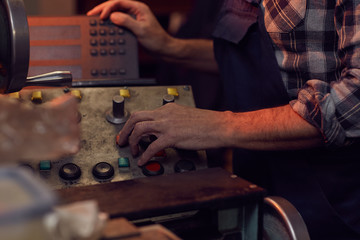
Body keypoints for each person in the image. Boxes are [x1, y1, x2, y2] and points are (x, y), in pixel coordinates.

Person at [87, 0, 360, 239]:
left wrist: (218, 124)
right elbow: (247, 59)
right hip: (258, 180)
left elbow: (354, 102)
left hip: (331, 197)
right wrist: (169, 46)